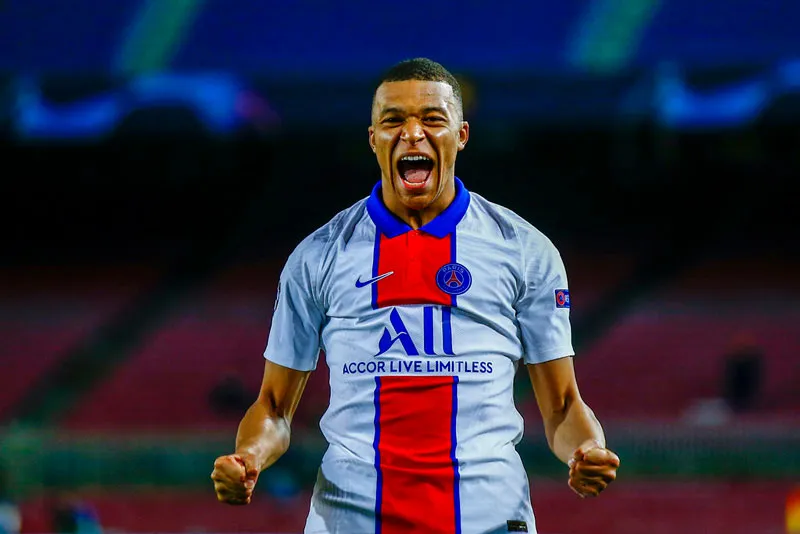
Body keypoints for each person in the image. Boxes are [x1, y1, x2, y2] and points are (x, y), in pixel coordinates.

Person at [211, 58, 620, 534]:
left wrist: (586, 450)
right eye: (393, 120)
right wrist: (249, 456)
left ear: (461, 135)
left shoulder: (524, 250)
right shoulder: (318, 256)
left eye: (431, 118)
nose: (412, 133)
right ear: (373, 138)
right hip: (352, 520)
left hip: (486, 518)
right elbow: (275, 408)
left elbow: (564, 406)